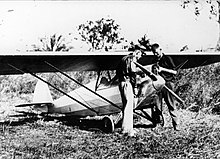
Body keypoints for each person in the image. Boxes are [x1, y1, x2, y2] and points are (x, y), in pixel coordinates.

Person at [116, 48, 144, 136]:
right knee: (129, 106)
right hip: (127, 83)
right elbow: (132, 74)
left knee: (125, 105)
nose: (140, 58)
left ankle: (126, 128)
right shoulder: (132, 59)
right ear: (137, 53)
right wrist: (135, 86)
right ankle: (127, 130)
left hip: (121, 83)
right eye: (140, 55)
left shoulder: (124, 58)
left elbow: (119, 71)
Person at [151, 43, 179, 131]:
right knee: (157, 105)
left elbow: (175, 72)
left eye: (156, 52)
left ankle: (176, 125)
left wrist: (162, 69)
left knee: (171, 104)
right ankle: (159, 124)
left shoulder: (167, 59)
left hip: (168, 84)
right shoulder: (155, 60)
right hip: (158, 85)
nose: (156, 54)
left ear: (160, 50)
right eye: (154, 53)